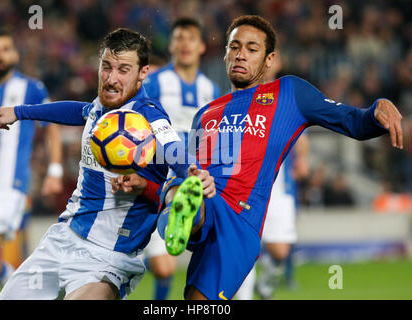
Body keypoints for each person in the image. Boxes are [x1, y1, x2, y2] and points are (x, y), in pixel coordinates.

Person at [112, 15, 403, 300]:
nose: (240, 55)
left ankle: (183, 211)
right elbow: (188, 165)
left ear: (269, 59)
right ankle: (185, 210)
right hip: (207, 194)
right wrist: (148, 185)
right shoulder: (206, 113)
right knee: (186, 178)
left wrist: (378, 109)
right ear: (225, 53)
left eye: (252, 49)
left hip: (240, 220)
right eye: (234, 47)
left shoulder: (289, 92)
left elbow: (352, 121)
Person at [0, 28, 215, 300]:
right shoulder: (99, 108)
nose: (111, 78)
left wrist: (192, 171)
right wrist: (19, 112)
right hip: (63, 238)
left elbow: (172, 147)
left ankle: (184, 207)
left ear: (143, 73)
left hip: (109, 257)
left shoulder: (147, 115)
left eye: (123, 70)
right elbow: (78, 111)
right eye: (106, 67)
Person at [0, 28, 63, 300]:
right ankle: (31, 291)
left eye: (5, 49)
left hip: (11, 183)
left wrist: (54, 171)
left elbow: (51, 128)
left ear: (15, 54)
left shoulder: (31, 88)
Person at [142, 17, 220, 300]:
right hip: (156, 179)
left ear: (201, 47)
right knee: (163, 267)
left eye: (191, 38)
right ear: (171, 45)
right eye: (179, 38)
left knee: (200, 265)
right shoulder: (154, 83)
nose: (184, 44)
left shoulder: (211, 92)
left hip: (195, 180)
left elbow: (213, 139)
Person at [235, 52, 310, 300]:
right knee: (246, 248)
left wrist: (303, 160)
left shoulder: (287, 95)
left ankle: (265, 283)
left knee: (280, 250)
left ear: (277, 61)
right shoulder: (242, 91)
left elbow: (301, 133)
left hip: (280, 187)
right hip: (247, 186)